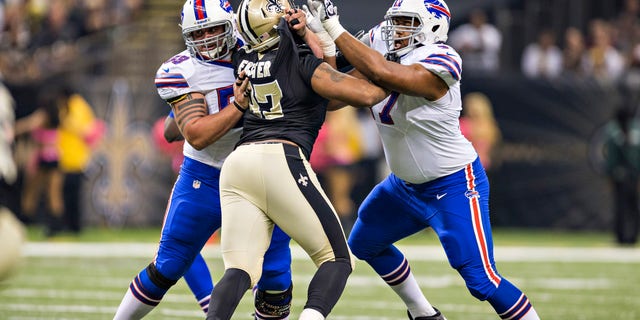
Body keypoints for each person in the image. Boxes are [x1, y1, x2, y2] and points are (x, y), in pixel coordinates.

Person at [305, 0, 540, 319]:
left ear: (433, 27)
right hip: (404, 186)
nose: (396, 29)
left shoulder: (443, 59)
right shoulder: (384, 45)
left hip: (453, 183)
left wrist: (335, 29)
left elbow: (381, 70)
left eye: (407, 22)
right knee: (364, 243)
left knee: (481, 281)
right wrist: (321, 38)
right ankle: (423, 313)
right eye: (395, 20)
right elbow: (335, 95)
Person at [113, 1, 307, 318]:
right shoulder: (180, 70)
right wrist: (236, 106)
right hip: (207, 174)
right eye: (199, 32)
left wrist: (307, 32)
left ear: (232, 25)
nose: (208, 38)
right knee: (169, 263)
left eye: (215, 28)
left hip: (260, 174)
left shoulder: (258, 45)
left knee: (275, 274)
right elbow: (197, 135)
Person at [205, 0, 389, 319]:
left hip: (238, 165)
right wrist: (389, 67)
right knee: (338, 259)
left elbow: (321, 80)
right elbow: (366, 94)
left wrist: (312, 38)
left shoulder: (243, 58)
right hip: (279, 159)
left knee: (240, 270)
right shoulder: (302, 64)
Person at [14, 86, 66, 237]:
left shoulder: (42, 116)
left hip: (42, 158)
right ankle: (55, 227)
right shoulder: (57, 116)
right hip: (55, 158)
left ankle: (25, 223)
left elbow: (26, 125)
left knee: (30, 193)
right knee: (54, 195)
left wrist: (10, 129)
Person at [603, 105, 640, 245]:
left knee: (622, 208)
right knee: (632, 208)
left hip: (621, 177)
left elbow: (611, 159)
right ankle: (632, 236)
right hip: (632, 176)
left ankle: (622, 237)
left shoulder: (613, 132)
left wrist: (609, 178)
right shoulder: (637, 129)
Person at [448, 8, 502, 75]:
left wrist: (474, 47)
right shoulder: (464, 30)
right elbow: (452, 43)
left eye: (479, 18)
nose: (477, 20)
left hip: (488, 68)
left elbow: (493, 47)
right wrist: (463, 47)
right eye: (475, 18)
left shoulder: (491, 31)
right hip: (469, 68)